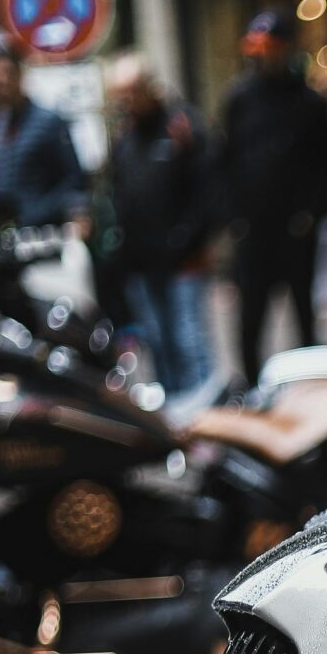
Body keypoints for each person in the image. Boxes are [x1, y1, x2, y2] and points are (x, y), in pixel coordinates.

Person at [215, 8, 327, 385]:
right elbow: (224, 160)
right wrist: (233, 218)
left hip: (297, 230)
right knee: (251, 318)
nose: (261, 56)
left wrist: (311, 212)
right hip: (254, 231)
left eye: (269, 48)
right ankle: (253, 387)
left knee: (304, 315)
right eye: (257, 49)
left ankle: (310, 386)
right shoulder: (239, 99)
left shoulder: (310, 102)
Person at [103, 54, 217, 404]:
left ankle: (204, 414)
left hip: (183, 260)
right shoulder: (125, 136)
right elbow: (119, 191)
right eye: (119, 95)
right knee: (158, 341)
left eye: (131, 93)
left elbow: (208, 189)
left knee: (188, 339)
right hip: (142, 260)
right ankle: (174, 419)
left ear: (149, 88)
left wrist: (187, 236)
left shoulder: (181, 125)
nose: (126, 102)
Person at [0, 51, 89, 227]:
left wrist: (41, 210)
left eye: (2, 81)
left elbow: (74, 179)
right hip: (6, 233)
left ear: (18, 77)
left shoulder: (49, 122)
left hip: (43, 228)